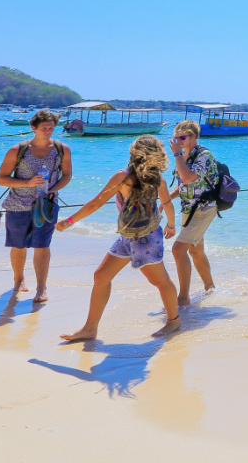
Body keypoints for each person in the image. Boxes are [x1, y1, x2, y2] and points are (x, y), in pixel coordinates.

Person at [56, 135, 179, 340]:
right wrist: (171, 225)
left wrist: (68, 221)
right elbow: (167, 204)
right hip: (131, 235)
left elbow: (95, 204)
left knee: (160, 281)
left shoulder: (123, 176)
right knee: (101, 276)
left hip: (145, 239)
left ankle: (174, 321)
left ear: (134, 153)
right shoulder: (158, 178)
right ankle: (90, 329)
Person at [0, 110, 72, 303]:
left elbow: (66, 175)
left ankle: (41, 288)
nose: (47, 131)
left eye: (51, 128)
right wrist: (28, 183)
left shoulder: (61, 149)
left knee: (42, 246)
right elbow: (1, 179)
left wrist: (52, 190)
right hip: (18, 204)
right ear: (33, 128)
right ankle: (18, 279)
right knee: (19, 245)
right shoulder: (18, 150)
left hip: (46, 206)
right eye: (44, 128)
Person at [169, 120, 220, 306]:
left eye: (183, 137)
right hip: (189, 209)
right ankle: (210, 288)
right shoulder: (184, 156)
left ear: (194, 136)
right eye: (177, 138)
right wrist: (165, 200)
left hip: (204, 209)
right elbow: (183, 184)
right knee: (195, 251)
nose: (179, 141)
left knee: (178, 250)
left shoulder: (204, 155)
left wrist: (177, 155)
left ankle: (183, 298)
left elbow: (188, 177)